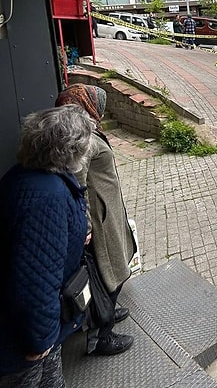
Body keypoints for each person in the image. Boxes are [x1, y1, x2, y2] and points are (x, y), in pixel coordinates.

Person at [0, 105, 94, 388]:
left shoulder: (28, 175)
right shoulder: (47, 197)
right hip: (25, 338)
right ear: (71, 150)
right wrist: (40, 338)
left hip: (34, 327)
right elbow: (35, 280)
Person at [56, 84, 136, 356]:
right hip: (100, 221)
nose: (100, 109)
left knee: (111, 270)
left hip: (108, 213)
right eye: (97, 103)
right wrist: (86, 226)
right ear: (85, 105)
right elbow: (77, 183)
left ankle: (108, 311)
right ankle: (101, 336)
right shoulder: (84, 137)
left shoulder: (84, 129)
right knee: (108, 271)